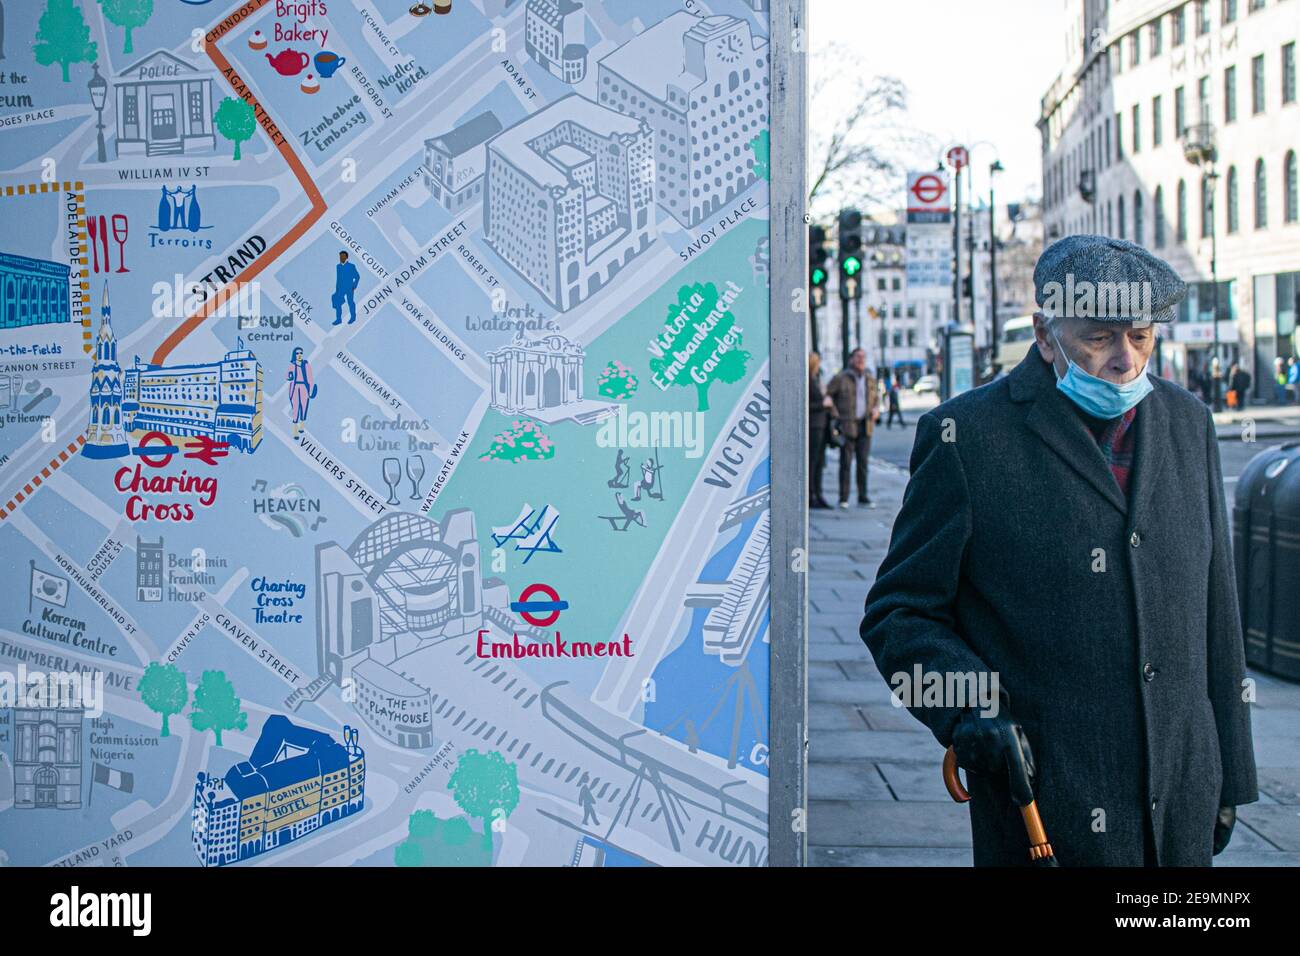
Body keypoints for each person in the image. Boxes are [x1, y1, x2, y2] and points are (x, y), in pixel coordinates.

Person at [860, 236, 1257, 866]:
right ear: (1045, 335)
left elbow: (1218, 610)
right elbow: (900, 611)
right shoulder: (968, 437)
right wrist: (969, 710)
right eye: (1099, 337)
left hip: (1182, 800)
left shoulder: (1189, 423)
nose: (1125, 360)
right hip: (1047, 805)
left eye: (1140, 335)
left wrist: (1231, 778)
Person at [827, 348, 877, 508]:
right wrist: (836, 415)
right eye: (858, 357)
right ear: (851, 359)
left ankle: (863, 496)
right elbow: (828, 395)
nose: (861, 360)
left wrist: (876, 409)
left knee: (863, 463)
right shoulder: (841, 378)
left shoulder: (870, 379)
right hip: (847, 425)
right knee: (846, 463)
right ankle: (844, 498)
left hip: (865, 425)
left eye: (863, 357)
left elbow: (875, 399)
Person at [808, 352, 833, 509]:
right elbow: (805, 405)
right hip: (814, 425)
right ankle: (811, 494)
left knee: (819, 462)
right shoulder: (809, 381)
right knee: (813, 462)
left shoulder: (815, 380)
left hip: (821, 425)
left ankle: (817, 493)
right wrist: (823, 404)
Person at [287, 347, 315, 436]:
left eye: (301, 353)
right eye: (297, 353)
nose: (299, 355)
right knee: (295, 408)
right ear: (294, 355)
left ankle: (301, 426)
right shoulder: (292, 365)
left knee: (304, 406)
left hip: (304, 387)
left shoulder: (306, 365)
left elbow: (310, 379)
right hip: (295, 387)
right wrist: (290, 376)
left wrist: (310, 390)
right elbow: (287, 376)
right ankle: (295, 430)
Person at [332, 250, 361, 325]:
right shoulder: (338, 266)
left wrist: (354, 286)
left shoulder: (351, 266)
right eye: (340, 256)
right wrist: (337, 289)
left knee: (350, 302)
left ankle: (353, 317)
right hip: (340, 289)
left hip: (349, 288)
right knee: (338, 303)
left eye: (343, 256)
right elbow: (338, 278)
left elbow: (357, 276)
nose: (341, 258)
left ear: (346, 257)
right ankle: (338, 319)